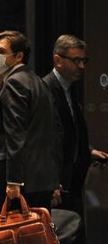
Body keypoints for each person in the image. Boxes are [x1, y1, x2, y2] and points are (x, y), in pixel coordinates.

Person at [0, 30, 62, 218]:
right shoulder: (38, 82)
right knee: (35, 234)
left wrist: (13, 181)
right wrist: (54, 179)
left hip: (21, 181)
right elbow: (56, 132)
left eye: (1, 52)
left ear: (19, 56)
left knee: (12, 234)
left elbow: (15, 134)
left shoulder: (15, 82)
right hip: (41, 180)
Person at [43, 34, 108, 243]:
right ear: (58, 60)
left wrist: (87, 151)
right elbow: (44, 140)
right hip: (57, 185)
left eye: (84, 60)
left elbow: (69, 133)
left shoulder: (69, 89)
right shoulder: (46, 90)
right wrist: (51, 181)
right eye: (76, 60)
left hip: (72, 181)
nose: (81, 66)